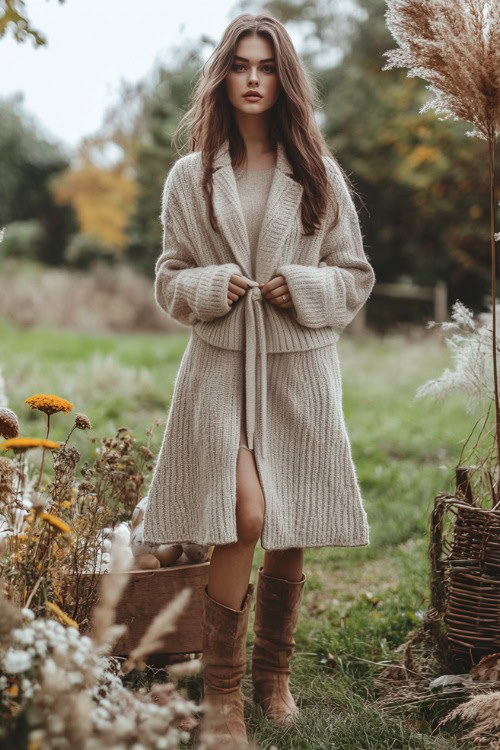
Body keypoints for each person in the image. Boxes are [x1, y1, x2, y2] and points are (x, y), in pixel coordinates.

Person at [142, 12, 376, 750]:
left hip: (298, 366)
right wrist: (213, 285)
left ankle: (273, 675)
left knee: (292, 516)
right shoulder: (190, 176)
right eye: (241, 63)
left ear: (284, 80)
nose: (252, 77)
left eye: (266, 66)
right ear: (223, 74)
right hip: (216, 366)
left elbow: (354, 274)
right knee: (242, 513)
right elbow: (170, 276)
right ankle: (223, 699)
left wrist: (302, 285)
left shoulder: (316, 173)